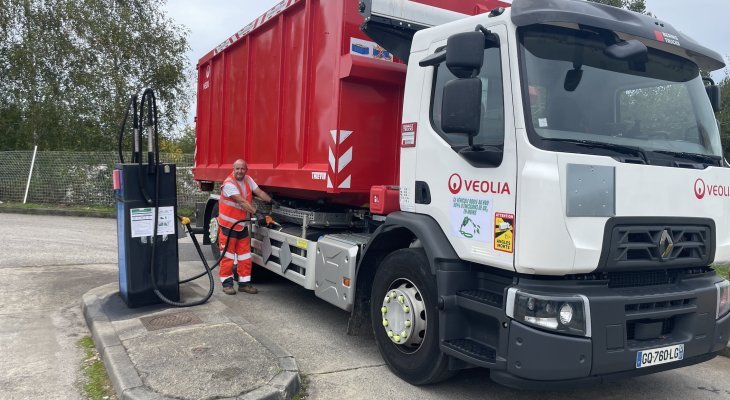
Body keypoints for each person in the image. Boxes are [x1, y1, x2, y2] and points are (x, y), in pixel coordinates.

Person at [217, 159, 272, 295]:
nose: (240, 171)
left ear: (246, 170)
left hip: (241, 225)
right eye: (237, 169)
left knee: (245, 256)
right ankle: (227, 284)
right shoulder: (229, 183)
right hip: (228, 226)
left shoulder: (248, 179)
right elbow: (241, 201)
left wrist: (271, 200)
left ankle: (244, 284)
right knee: (228, 256)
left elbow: (258, 192)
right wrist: (257, 212)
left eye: (242, 169)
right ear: (233, 169)